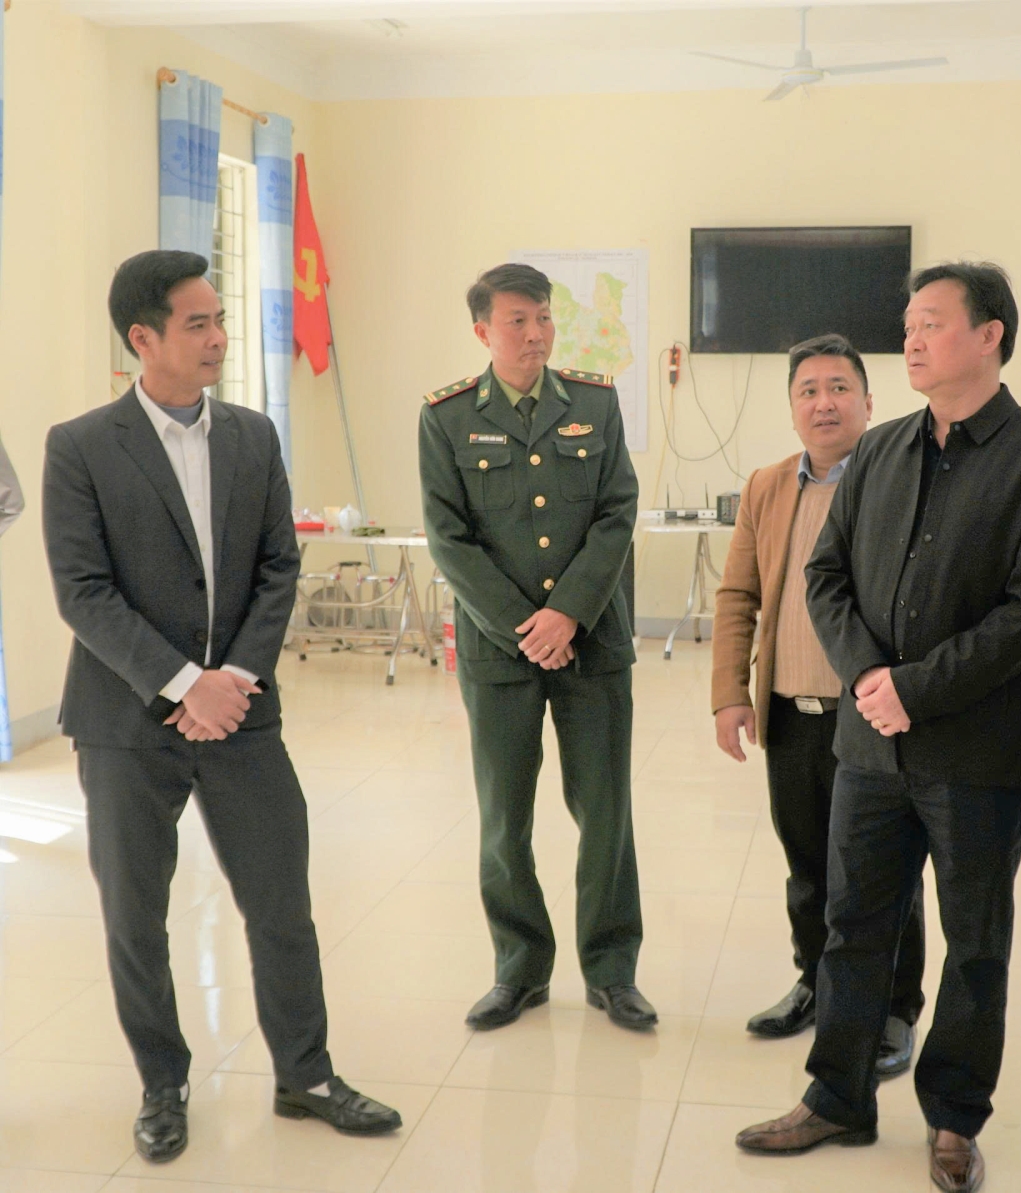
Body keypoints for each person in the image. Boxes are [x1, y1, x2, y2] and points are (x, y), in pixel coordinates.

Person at [41, 250, 401, 1163]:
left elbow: (279, 567)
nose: (219, 338)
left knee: (281, 904)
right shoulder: (80, 446)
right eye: (197, 323)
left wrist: (232, 677)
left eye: (220, 318)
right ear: (143, 337)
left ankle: (306, 1075)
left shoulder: (253, 435)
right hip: (125, 722)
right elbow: (83, 592)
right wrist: (181, 682)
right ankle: (163, 1086)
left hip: (242, 715)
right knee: (136, 918)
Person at [734, 263, 1021, 1193]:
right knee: (853, 923)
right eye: (909, 324)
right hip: (870, 748)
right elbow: (825, 576)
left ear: (991, 335)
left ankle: (954, 1119)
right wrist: (868, 678)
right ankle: (838, 1096)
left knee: (974, 940)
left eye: (932, 322)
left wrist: (914, 691)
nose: (913, 338)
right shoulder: (883, 449)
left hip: (976, 752)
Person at [418, 262, 655, 1033]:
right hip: (500, 652)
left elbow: (617, 512)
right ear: (482, 330)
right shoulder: (447, 417)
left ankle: (612, 971)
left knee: (606, 811)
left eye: (544, 317)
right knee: (503, 818)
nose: (535, 334)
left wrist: (568, 616)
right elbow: (448, 537)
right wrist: (526, 625)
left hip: (593, 642)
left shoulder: (594, 401)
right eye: (517, 320)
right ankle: (519, 970)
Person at [711, 333, 926, 1074]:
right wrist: (729, 693)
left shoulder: (900, 477)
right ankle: (816, 981)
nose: (824, 402)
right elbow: (738, 595)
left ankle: (895, 1007)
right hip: (789, 714)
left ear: (868, 402)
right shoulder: (768, 486)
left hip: (870, 718)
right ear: (793, 406)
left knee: (884, 872)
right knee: (807, 865)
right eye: (808, 390)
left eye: (839, 388)